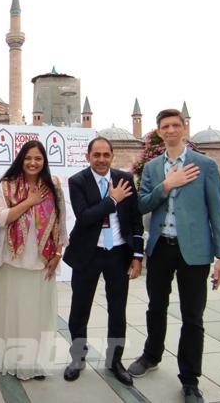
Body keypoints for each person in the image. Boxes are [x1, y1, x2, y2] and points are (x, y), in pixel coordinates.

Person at [128, 109, 220, 403]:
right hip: (161, 247)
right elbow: (142, 205)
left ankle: (189, 379)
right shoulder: (152, 168)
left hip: (194, 251)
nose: (171, 130)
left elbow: (216, 212)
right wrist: (167, 184)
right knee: (156, 306)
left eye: (175, 125)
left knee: (192, 316)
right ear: (159, 131)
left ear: (184, 128)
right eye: (165, 126)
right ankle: (151, 355)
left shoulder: (205, 165)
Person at [0, 140, 66, 380]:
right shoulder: (7, 184)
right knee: (12, 310)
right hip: (13, 259)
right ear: (21, 159)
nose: (33, 163)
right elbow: (0, 218)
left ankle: (33, 361)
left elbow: (61, 222)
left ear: (44, 161)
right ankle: (8, 358)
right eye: (28, 158)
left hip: (42, 260)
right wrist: (29, 202)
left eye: (38, 158)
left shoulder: (54, 185)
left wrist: (58, 254)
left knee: (36, 313)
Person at [63, 137, 144, 386]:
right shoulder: (78, 181)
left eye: (105, 155)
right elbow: (85, 217)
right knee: (80, 310)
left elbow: (135, 219)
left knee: (117, 310)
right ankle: (78, 358)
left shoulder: (124, 179)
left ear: (112, 156)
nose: (101, 159)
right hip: (88, 253)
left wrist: (137, 255)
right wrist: (112, 200)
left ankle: (115, 360)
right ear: (88, 157)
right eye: (96, 155)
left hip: (118, 254)